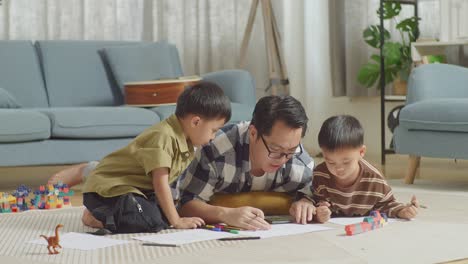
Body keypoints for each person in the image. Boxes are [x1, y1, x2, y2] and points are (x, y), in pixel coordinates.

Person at [54, 82, 232, 231]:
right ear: (196, 122)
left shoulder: (187, 143)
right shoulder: (163, 137)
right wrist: (176, 221)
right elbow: (160, 182)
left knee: (162, 217)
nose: (213, 137)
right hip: (108, 190)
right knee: (151, 221)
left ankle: (112, 212)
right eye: (213, 131)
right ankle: (95, 217)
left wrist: (173, 214)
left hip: (136, 191)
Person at [177, 95, 316, 231]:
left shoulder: (299, 161)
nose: (283, 158)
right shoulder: (215, 151)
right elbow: (185, 203)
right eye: (275, 149)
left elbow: (316, 190)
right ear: (253, 133)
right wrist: (225, 214)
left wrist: (307, 201)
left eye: (292, 149)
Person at [311, 115, 419, 223]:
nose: (339, 168)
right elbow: (316, 202)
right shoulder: (320, 174)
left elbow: (386, 205)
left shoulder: (374, 179)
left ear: (361, 152)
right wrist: (319, 213)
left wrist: (402, 211)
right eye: (330, 162)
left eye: (346, 162)